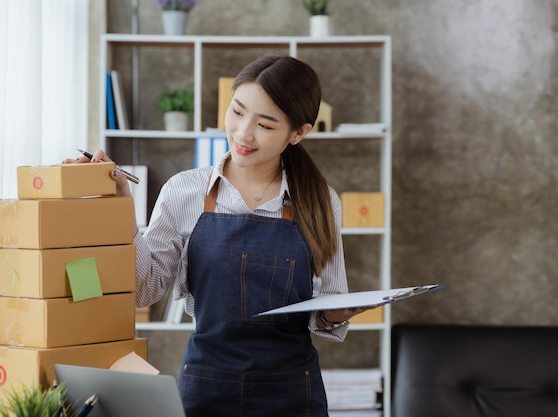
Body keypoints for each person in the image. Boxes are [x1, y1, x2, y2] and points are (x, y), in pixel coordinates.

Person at [67, 55, 369, 417]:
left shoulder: (320, 201)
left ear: (298, 133)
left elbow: (328, 311)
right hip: (207, 388)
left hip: (290, 393)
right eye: (237, 112)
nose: (243, 133)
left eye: (265, 124)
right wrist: (120, 210)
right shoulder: (184, 191)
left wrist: (336, 313)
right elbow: (144, 290)